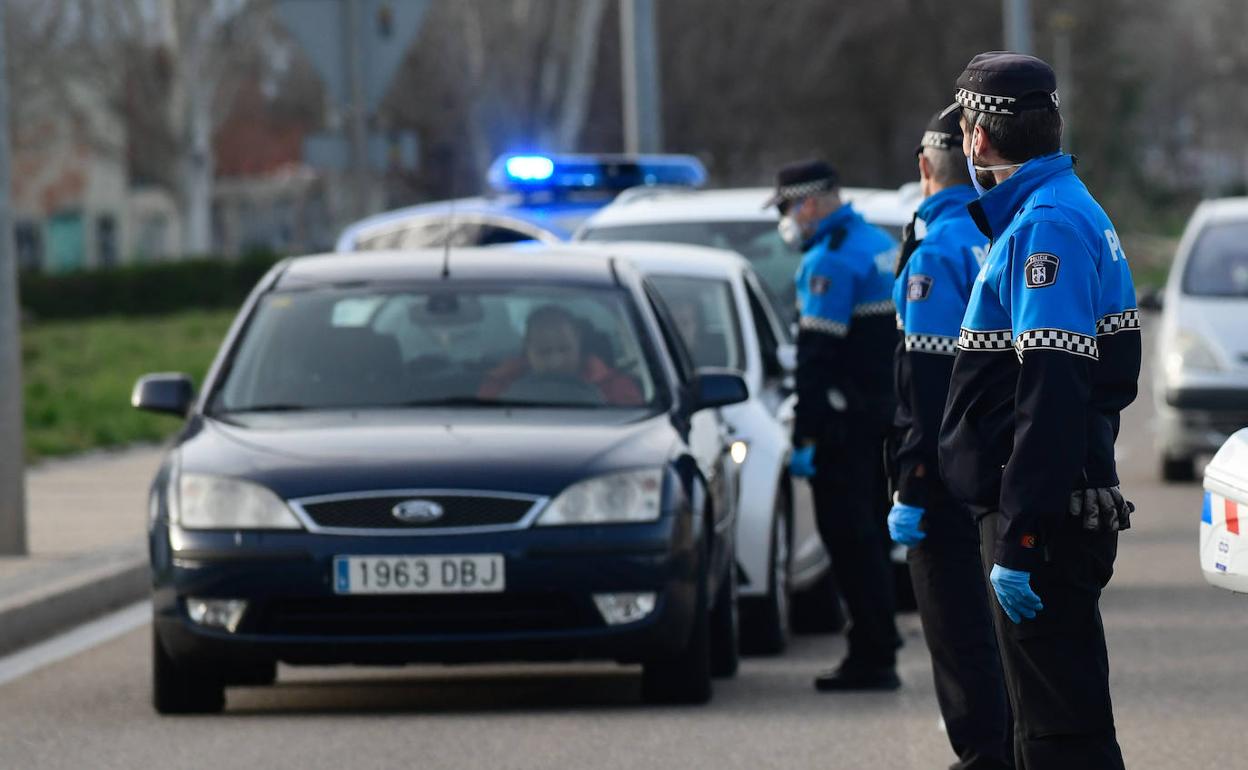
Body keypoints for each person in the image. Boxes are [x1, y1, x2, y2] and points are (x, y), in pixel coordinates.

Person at [938, 52, 1139, 768]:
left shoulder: (1045, 227)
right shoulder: (1053, 210)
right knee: (1051, 720)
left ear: (979, 138)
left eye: (966, 127)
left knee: (1059, 732)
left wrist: (1020, 536)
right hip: (1048, 502)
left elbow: (1052, 392)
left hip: (1040, 516)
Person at [890, 105, 1012, 769]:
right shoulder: (991, 231)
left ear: (923, 168)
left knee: (958, 634)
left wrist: (913, 480)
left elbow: (927, 385)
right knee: (991, 630)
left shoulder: (935, 250)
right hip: (988, 468)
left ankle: (981, 755)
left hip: (939, 478)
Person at [767, 160, 902, 691]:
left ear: (809, 203)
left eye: (786, 207)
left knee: (848, 540)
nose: (786, 220)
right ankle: (879, 641)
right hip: (881, 419)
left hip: (844, 428)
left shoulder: (830, 262)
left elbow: (816, 359)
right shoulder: (877, 244)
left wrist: (806, 435)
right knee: (869, 535)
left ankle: (872, 652)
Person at [479, 305, 643, 405]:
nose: (556, 361)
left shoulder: (615, 387)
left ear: (579, 342)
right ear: (527, 349)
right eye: (544, 352)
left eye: (564, 349)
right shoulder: (498, 388)